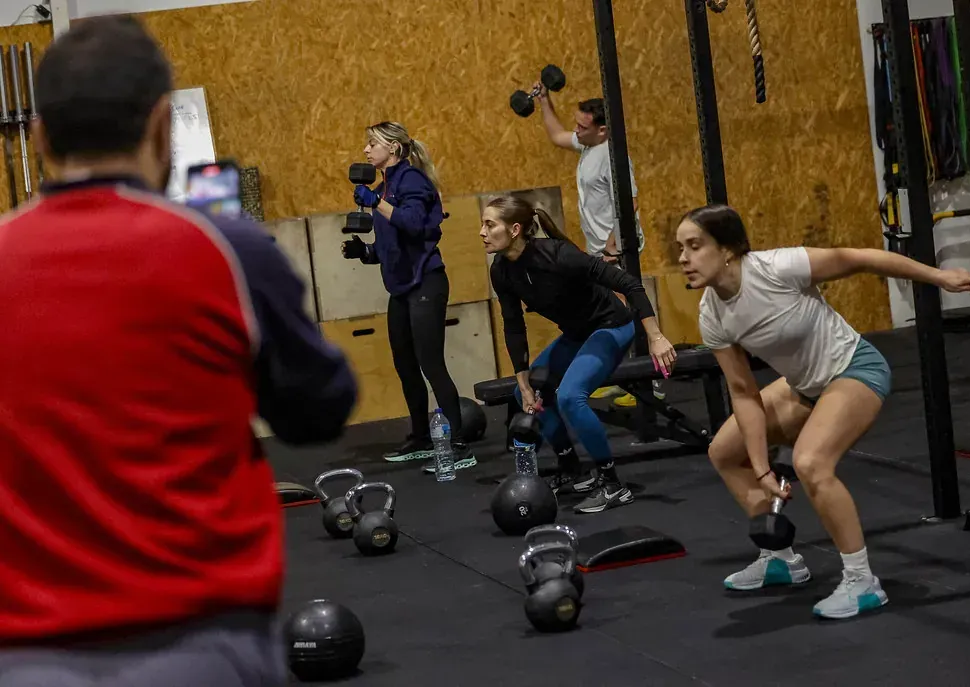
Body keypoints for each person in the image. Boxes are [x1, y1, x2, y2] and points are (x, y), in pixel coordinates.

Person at [0, 15, 358, 686]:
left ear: (42, 137)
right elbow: (319, 409)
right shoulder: (229, 251)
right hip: (200, 646)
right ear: (164, 126)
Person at [682, 204, 970, 619]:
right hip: (803, 387)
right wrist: (763, 471)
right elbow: (743, 392)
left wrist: (939, 277)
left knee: (811, 462)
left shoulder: (777, 268)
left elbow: (858, 258)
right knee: (723, 452)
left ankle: (862, 582)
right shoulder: (710, 313)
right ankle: (780, 558)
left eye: (694, 246)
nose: (683, 258)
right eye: (681, 248)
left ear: (728, 249)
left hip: (853, 369)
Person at [482, 195, 676, 513]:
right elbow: (513, 326)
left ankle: (613, 483)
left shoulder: (559, 255)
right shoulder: (502, 270)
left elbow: (629, 284)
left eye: (490, 224)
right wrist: (525, 382)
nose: (482, 232)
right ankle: (571, 468)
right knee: (522, 393)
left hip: (612, 326)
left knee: (572, 397)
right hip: (576, 335)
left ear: (515, 229)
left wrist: (655, 337)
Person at [342, 121, 476, 473]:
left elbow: (416, 225)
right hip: (401, 288)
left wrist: (375, 203)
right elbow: (396, 242)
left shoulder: (412, 180)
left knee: (431, 363)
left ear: (394, 149)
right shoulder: (385, 186)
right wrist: (366, 252)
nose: (367, 150)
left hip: (426, 284)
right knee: (404, 364)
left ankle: (459, 443)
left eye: (373, 144)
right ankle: (420, 437)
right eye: (367, 144)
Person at [532, 86, 660, 406]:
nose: (576, 130)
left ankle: (651, 383)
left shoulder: (614, 157)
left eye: (582, 126)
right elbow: (557, 136)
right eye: (577, 124)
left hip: (617, 249)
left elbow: (627, 204)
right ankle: (620, 376)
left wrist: (612, 249)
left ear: (602, 129)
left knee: (627, 313)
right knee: (611, 315)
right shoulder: (589, 146)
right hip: (600, 249)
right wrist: (544, 102)